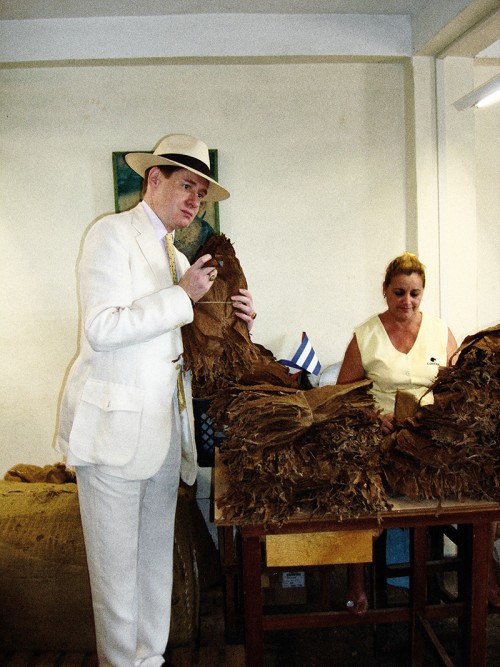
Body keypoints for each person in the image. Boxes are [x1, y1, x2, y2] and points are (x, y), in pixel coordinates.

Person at [56, 134, 256, 666]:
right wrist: (182, 296)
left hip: (165, 433)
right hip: (114, 437)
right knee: (116, 577)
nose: (195, 199)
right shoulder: (110, 235)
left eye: (202, 193)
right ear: (153, 180)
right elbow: (102, 328)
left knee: (153, 569)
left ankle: (151, 660)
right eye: (186, 185)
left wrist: (235, 324)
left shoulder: (173, 254)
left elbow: (182, 343)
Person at [336, 252, 457, 615]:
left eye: (415, 293)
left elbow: (456, 387)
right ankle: (356, 582)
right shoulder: (366, 335)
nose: (407, 301)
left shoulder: (439, 331)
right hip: (381, 434)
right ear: (385, 291)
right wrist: (374, 417)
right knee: (359, 490)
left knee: (475, 492)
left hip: (430, 436)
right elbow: (342, 394)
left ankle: (480, 577)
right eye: (399, 292)